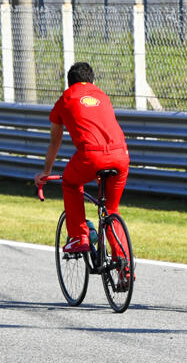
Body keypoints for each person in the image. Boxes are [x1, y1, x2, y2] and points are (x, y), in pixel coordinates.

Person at [34, 62, 130, 262]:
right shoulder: (103, 96)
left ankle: (79, 236)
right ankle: (124, 267)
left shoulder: (66, 98)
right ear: (93, 81)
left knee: (70, 182)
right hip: (121, 155)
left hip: (91, 156)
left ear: (69, 84)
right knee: (111, 210)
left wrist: (46, 170)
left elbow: (55, 140)